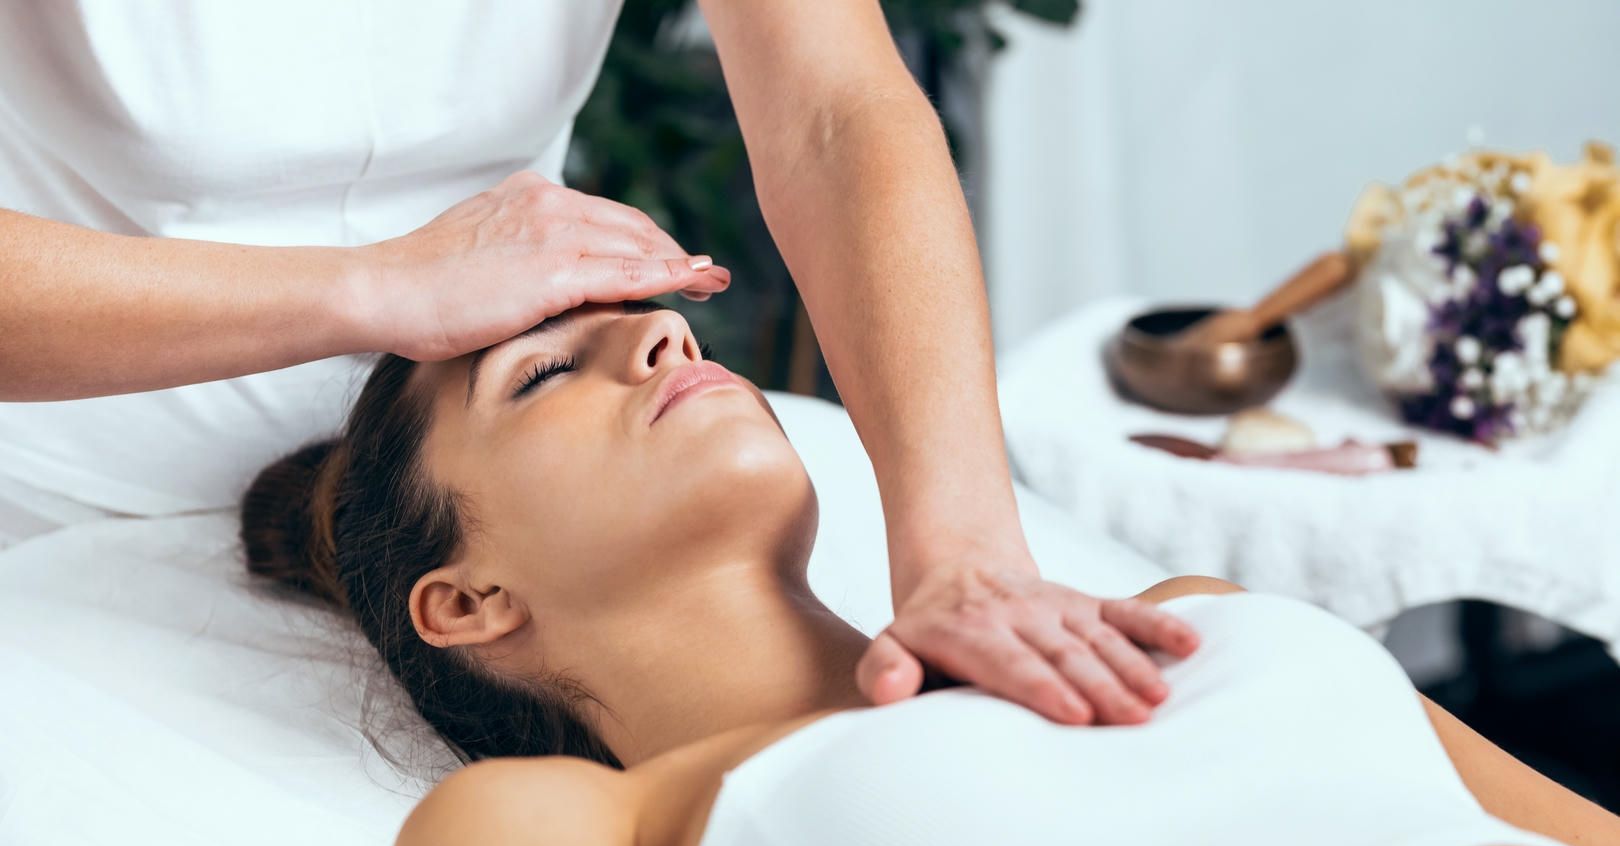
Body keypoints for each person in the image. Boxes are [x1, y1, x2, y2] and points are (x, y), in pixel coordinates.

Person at [242, 302, 1620, 846]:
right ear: (469, 599)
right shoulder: (549, 837)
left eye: (644, 320)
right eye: (544, 374)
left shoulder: (1187, 619)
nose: (657, 339)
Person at [0, 0, 1194, 727]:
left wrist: (963, 554)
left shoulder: (1203, 635)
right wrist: (377, 288)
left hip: (525, 420)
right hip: (82, 474)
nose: (676, 332)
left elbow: (834, 111)